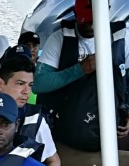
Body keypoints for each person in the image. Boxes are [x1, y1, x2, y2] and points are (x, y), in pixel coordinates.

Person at [33, 0, 129, 151]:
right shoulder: (59, 39)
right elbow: (39, 84)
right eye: (87, 21)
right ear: (76, 15)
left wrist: (127, 112)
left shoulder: (121, 39)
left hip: (110, 129)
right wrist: (79, 70)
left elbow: (126, 79)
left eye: (95, 20)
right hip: (65, 127)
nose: (92, 26)